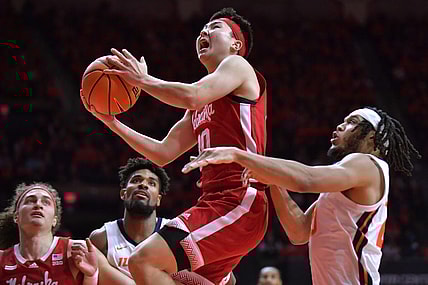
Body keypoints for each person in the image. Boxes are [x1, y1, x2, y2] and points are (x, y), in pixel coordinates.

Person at [81, 7, 268, 285]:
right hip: (214, 202)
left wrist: (143, 81)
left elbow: (191, 96)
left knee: (142, 260)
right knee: (173, 277)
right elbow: (162, 152)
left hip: (241, 201)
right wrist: (111, 122)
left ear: (235, 44)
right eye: (202, 28)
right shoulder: (201, 102)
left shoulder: (237, 65)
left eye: (215, 27)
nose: (204, 32)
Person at [183, 107, 421, 285]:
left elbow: (306, 180)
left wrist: (239, 155)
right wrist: (272, 180)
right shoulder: (343, 184)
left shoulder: (367, 163)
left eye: (351, 123)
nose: (339, 126)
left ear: (372, 139)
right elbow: (299, 231)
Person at [90, 157, 235, 285]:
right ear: (123, 193)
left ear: (158, 199)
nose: (143, 185)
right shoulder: (102, 238)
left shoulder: (178, 233)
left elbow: (229, 280)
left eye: (151, 183)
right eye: (136, 180)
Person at [0, 182, 99, 285]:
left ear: (54, 220)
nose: (38, 204)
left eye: (46, 202)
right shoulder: (2, 260)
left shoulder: (74, 251)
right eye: (30, 201)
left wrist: (91, 276)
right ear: (16, 216)